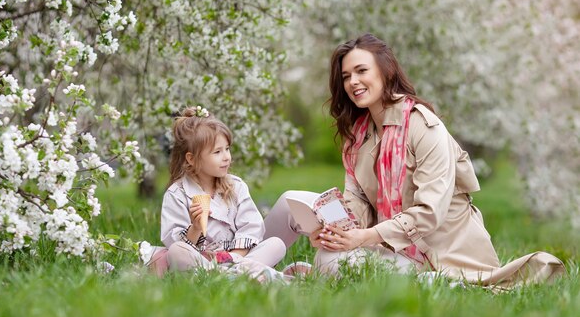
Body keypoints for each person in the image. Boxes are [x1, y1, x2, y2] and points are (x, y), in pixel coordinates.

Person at [264, 33, 565, 288]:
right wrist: (336, 230)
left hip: (435, 256)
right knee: (290, 200)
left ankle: (438, 282)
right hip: (382, 243)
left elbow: (428, 214)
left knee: (332, 261)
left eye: (361, 71)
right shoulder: (359, 136)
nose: (353, 82)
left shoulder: (424, 127)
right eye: (346, 76)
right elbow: (355, 201)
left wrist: (362, 238)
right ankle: (242, 263)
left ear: (385, 72)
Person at [147, 106, 286, 281]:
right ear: (191, 159)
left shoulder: (236, 186)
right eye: (217, 152)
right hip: (200, 259)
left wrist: (235, 257)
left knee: (277, 244)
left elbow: (251, 226)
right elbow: (174, 240)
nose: (226, 157)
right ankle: (245, 275)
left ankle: (231, 274)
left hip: (238, 257)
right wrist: (195, 228)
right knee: (176, 252)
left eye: (227, 149)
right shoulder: (177, 194)